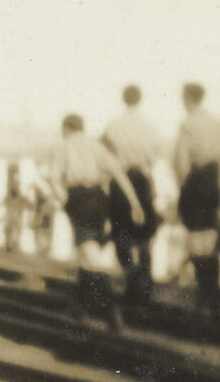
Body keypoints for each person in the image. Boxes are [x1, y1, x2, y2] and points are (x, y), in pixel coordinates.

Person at [55, 113, 143, 329]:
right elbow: (118, 172)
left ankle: (111, 311)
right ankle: (81, 307)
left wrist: (63, 199)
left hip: (78, 198)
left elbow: (53, 176)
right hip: (98, 201)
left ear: (66, 129)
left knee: (90, 256)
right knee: (86, 255)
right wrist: (135, 203)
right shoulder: (95, 146)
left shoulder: (64, 146)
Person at [171, 81, 220, 313]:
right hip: (215, 178)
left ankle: (204, 295)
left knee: (196, 237)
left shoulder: (188, 123)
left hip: (196, 177)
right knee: (209, 236)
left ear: (187, 98)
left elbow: (182, 159)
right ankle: (212, 294)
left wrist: (182, 187)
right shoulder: (218, 123)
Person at [100, 84, 164, 302]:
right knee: (145, 232)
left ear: (123, 98)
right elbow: (156, 155)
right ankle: (145, 280)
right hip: (143, 180)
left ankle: (131, 277)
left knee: (121, 232)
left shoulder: (113, 125)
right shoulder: (151, 127)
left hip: (122, 179)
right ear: (140, 99)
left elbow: (105, 154)